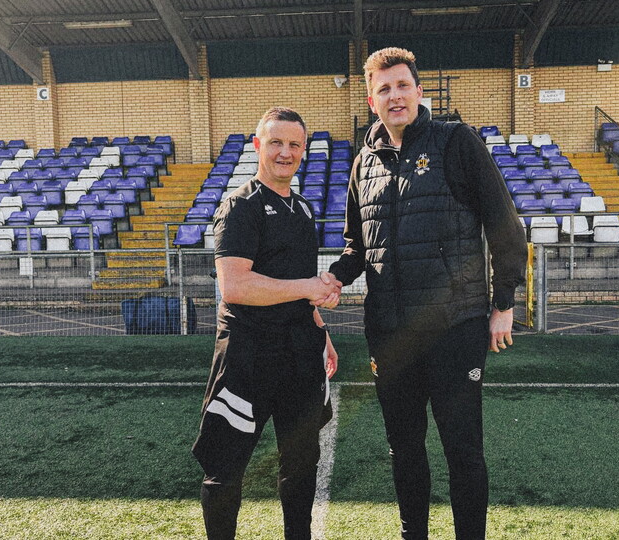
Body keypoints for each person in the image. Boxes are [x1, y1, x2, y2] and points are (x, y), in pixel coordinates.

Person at [326, 47, 528, 540]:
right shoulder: (362, 164)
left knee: (463, 450)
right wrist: (329, 280)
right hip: (391, 335)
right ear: (372, 100)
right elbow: (359, 244)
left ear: (419, 91)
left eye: (402, 86)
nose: (394, 96)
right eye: (384, 89)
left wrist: (504, 304)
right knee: (405, 449)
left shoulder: (456, 142)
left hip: (454, 329)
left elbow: (505, 225)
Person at [192, 107, 341, 540]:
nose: (285, 152)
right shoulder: (240, 206)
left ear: (303, 152)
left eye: (294, 144)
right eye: (276, 142)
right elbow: (236, 286)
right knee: (227, 466)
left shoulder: (303, 209)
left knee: (300, 464)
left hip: (300, 354)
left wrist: (322, 331)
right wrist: (309, 288)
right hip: (249, 356)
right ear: (258, 146)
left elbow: (299, 286)